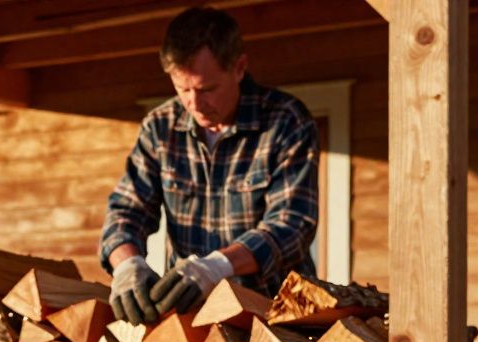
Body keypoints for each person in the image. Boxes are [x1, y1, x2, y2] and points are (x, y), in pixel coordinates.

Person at [100, 6, 320, 325]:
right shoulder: (159, 128)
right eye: (182, 89)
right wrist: (126, 264)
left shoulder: (286, 121)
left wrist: (217, 266)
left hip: (278, 315)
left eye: (206, 89)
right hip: (193, 318)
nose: (194, 104)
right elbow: (126, 210)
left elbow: (292, 223)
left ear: (239, 67)